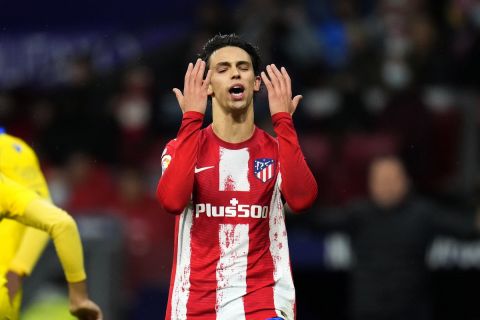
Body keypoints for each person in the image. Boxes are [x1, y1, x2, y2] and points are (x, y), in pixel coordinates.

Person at [156, 34, 317, 320]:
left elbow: (303, 200)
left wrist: (284, 122)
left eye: (243, 67)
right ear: (207, 86)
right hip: (194, 305)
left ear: (256, 83)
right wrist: (191, 118)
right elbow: (171, 201)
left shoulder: (277, 150)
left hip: (262, 301)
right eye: (223, 68)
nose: (235, 72)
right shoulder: (181, 148)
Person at [313, 155, 480, 320]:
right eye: (381, 180)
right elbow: (315, 221)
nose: (387, 186)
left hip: (411, 312)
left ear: (407, 181)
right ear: (370, 184)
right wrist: (291, 203)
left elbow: (468, 229)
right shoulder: (358, 214)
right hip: (367, 312)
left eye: (393, 179)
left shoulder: (423, 213)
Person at [0, 128, 102, 320]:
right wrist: (79, 298)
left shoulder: (9, 150)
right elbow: (60, 223)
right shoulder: (13, 155)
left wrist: (18, 268)